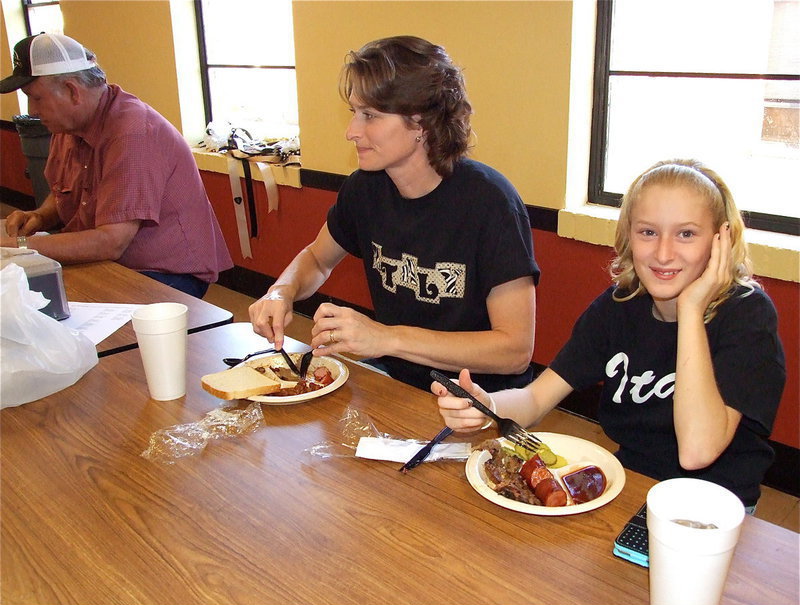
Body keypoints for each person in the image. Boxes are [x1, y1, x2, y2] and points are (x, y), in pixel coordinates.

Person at [433, 159, 786, 509]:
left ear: (721, 239)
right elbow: (536, 399)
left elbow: (697, 451)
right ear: (628, 236)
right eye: (648, 232)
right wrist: (485, 406)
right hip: (633, 487)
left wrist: (690, 310)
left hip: (713, 506)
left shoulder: (747, 314)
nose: (664, 254)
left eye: (686, 234)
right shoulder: (620, 305)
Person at [249, 36, 540, 392]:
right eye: (354, 113)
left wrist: (387, 338)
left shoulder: (491, 203)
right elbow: (316, 258)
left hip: (481, 399)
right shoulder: (364, 188)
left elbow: (514, 350)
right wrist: (281, 291)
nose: (351, 131)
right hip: (400, 382)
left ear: (422, 123)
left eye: (370, 115)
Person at [0, 33, 232, 298]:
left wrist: (18, 245)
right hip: (110, 260)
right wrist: (40, 216)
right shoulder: (67, 127)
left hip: (164, 272)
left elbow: (110, 242)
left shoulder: (132, 132)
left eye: (37, 98)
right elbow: (62, 190)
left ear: (72, 90)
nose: (32, 110)